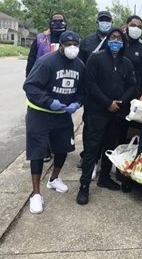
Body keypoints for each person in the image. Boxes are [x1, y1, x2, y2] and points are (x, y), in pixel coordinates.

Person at [23, 31, 85, 214]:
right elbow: (30, 86)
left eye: (75, 44)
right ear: (61, 46)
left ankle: (54, 179)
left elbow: (82, 90)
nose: (72, 47)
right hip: (40, 113)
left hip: (62, 114)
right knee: (38, 152)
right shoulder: (46, 62)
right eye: (68, 44)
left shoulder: (80, 65)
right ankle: (36, 194)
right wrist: (48, 101)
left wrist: (78, 102)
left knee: (63, 147)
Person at [77, 27, 137, 205]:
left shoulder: (126, 62)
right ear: (107, 39)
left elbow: (132, 86)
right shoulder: (96, 58)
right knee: (92, 149)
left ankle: (104, 177)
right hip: (97, 111)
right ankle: (84, 186)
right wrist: (106, 103)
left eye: (119, 38)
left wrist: (120, 102)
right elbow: (90, 83)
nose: (116, 41)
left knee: (110, 146)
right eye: (112, 37)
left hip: (117, 112)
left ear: (123, 42)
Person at [26, 12, 68, 162]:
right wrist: (30, 84)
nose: (58, 23)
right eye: (55, 21)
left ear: (65, 22)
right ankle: (45, 151)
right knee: (42, 122)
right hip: (42, 86)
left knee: (59, 121)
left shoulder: (70, 40)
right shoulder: (40, 39)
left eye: (60, 21)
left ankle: (58, 148)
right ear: (50, 22)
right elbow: (31, 63)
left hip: (63, 85)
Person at [76, 10, 113, 173]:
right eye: (102, 20)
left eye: (108, 20)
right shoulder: (86, 42)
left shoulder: (114, 39)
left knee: (108, 128)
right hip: (91, 92)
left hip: (111, 92)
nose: (105, 23)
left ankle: (104, 159)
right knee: (89, 127)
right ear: (97, 22)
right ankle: (88, 157)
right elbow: (79, 66)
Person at [118, 15, 142, 151]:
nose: (136, 29)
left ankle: (129, 160)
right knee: (113, 133)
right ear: (126, 26)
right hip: (114, 95)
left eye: (139, 27)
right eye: (133, 25)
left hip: (134, 98)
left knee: (132, 133)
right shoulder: (117, 43)